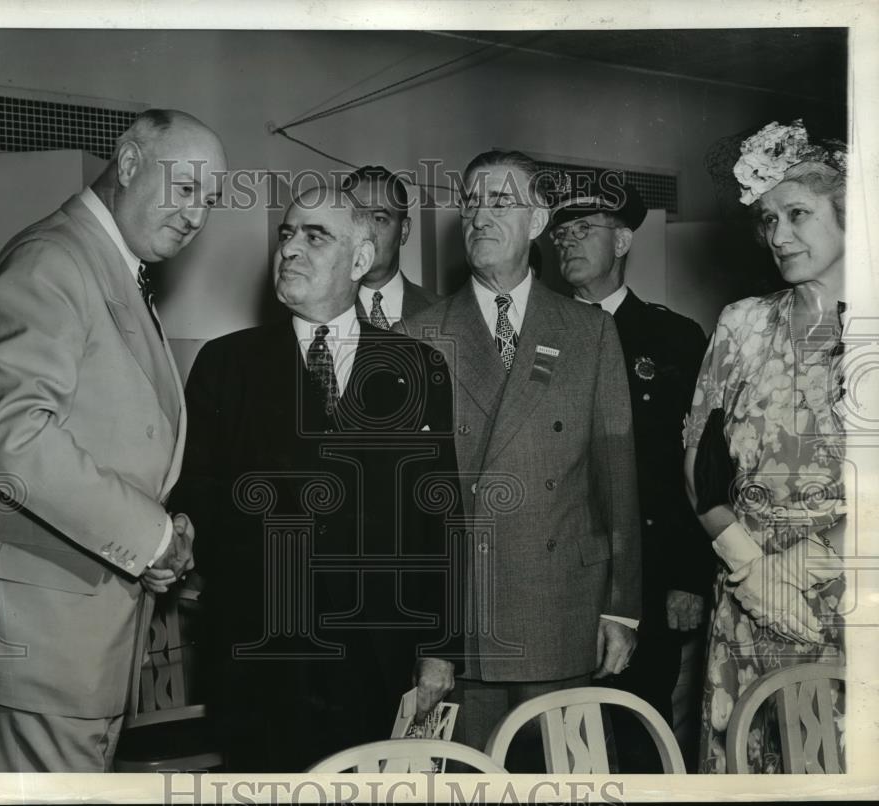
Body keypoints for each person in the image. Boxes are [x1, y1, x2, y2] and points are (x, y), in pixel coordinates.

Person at [0, 109, 228, 772]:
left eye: (211, 199)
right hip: (28, 648)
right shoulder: (55, 259)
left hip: (64, 649)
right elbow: (15, 433)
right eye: (185, 187)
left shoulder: (107, 265)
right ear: (129, 162)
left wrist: (163, 532)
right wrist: (149, 538)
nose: (197, 214)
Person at [170, 184, 462, 772]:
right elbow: (197, 497)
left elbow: (440, 516)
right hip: (261, 657)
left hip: (379, 657)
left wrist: (439, 650)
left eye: (314, 235)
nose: (290, 249)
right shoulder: (226, 366)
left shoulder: (417, 367)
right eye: (286, 234)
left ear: (359, 259)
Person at [398, 150, 641, 769]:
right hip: (466, 620)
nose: (479, 215)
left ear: (537, 222)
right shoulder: (418, 337)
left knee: (569, 784)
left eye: (500, 201)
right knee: (463, 782)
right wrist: (428, 635)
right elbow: (406, 513)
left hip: (565, 607)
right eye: (471, 202)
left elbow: (616, 476)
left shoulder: (589, 332)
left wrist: (622, 604)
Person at [684, 119, 847, 773]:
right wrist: (751, 569)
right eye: (767, 219)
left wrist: (807, 567)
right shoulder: (742, 323)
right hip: (749, 610)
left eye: (797, 214)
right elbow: (700, 461)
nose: (777, 235)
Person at [548, 174, 714, 770]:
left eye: (583, 230)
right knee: (564, 739)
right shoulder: (537, 337)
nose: (566, 242)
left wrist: (690, 578)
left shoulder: (673, 338)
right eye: (560, 232)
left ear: (621, 244)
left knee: (644, 733)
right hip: (561, 574)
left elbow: (698, 463)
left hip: (649, 571)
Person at [341, 165, 439, 328]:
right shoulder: (322, 313)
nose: (367, 232)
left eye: (379, 219)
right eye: (357, 218)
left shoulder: (444, 312)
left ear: (404, 231)